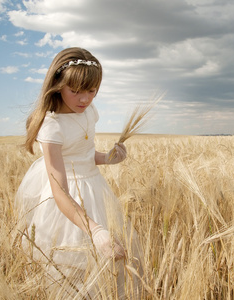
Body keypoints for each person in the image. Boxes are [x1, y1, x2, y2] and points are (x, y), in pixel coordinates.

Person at [15, 47, 142, 298]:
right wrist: (95, 230)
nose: (84, 99)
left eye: (92, 91)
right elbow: (59, 190)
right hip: (66, 203)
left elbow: (84, 155)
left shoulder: (90, 113)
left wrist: (107, 158)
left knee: (109, 268)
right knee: (72, 271)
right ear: (58, 85)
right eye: (75, 91)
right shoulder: (51, 126)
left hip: (95, 192)